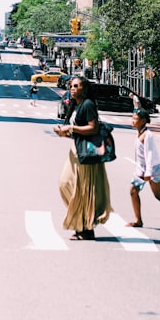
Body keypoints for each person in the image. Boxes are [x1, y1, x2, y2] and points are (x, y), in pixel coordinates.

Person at [54, 75, 112, 240]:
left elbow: (93, 129)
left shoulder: (87, 105)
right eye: (71, 86)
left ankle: (86, 228)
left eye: (76, 86)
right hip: (76, 151)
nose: (72, 88)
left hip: (85, 154)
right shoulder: (77, 105)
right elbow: (78, 132)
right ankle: (81, 223)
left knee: (83, 190)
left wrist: (71, 128)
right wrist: (64, 133)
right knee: (65, 184)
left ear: (84, 89)